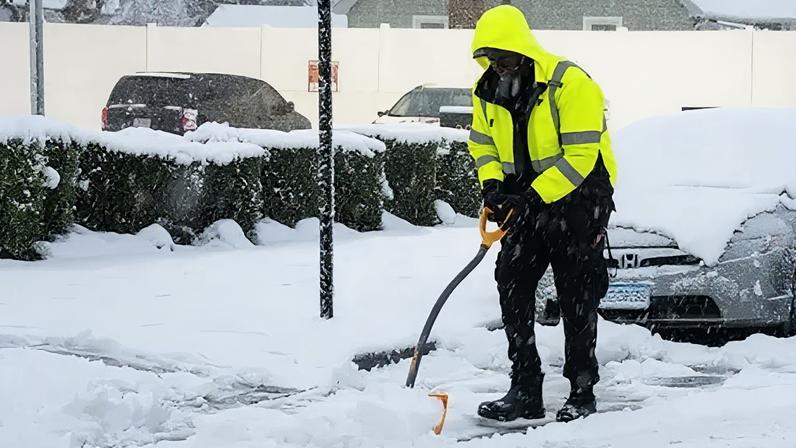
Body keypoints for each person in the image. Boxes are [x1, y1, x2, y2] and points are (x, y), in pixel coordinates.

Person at [467, 5, 618, 423]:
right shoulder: (488, 90)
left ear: (524, 50)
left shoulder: (570, 83)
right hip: (524, 203)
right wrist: (493, 187)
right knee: (512, 281)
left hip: (579, 198)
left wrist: (533, 197)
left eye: (507, 59)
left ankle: (582, 389)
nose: (500, 67)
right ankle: (525, 389)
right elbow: (482, 145)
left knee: (576, 292)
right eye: (493, 61)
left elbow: (581, 156)